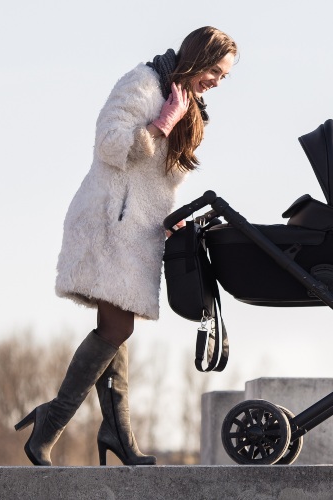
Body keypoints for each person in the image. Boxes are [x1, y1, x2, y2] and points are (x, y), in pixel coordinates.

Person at [15, 26, 238, 466]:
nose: (217, 81)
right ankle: (53, 421)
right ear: (197, 58)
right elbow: (109, 144)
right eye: (215, 70)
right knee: (118, 329)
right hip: (109, 224)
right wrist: (160, 124)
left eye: (224, 76)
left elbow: (160, 180)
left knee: (116, 330)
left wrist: (171, 221)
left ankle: (117, 433)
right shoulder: (145, 83)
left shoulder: (191, 107)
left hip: (141, 231)